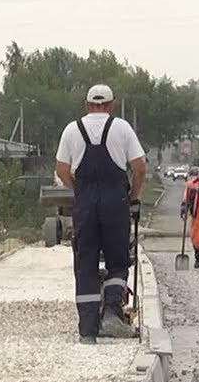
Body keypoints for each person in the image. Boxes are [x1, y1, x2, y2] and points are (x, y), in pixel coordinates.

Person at [55, 84, 147, 344]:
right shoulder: (122, 128)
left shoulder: (72, 130)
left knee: (86, 263)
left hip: (85, 204)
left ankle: (87, 330)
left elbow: (62, 169)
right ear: (112, 105)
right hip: (115, 202)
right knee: (118, 261)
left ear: (86, 105)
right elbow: (139, 168)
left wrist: (79, 190)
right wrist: (133, 197)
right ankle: (111, 313)